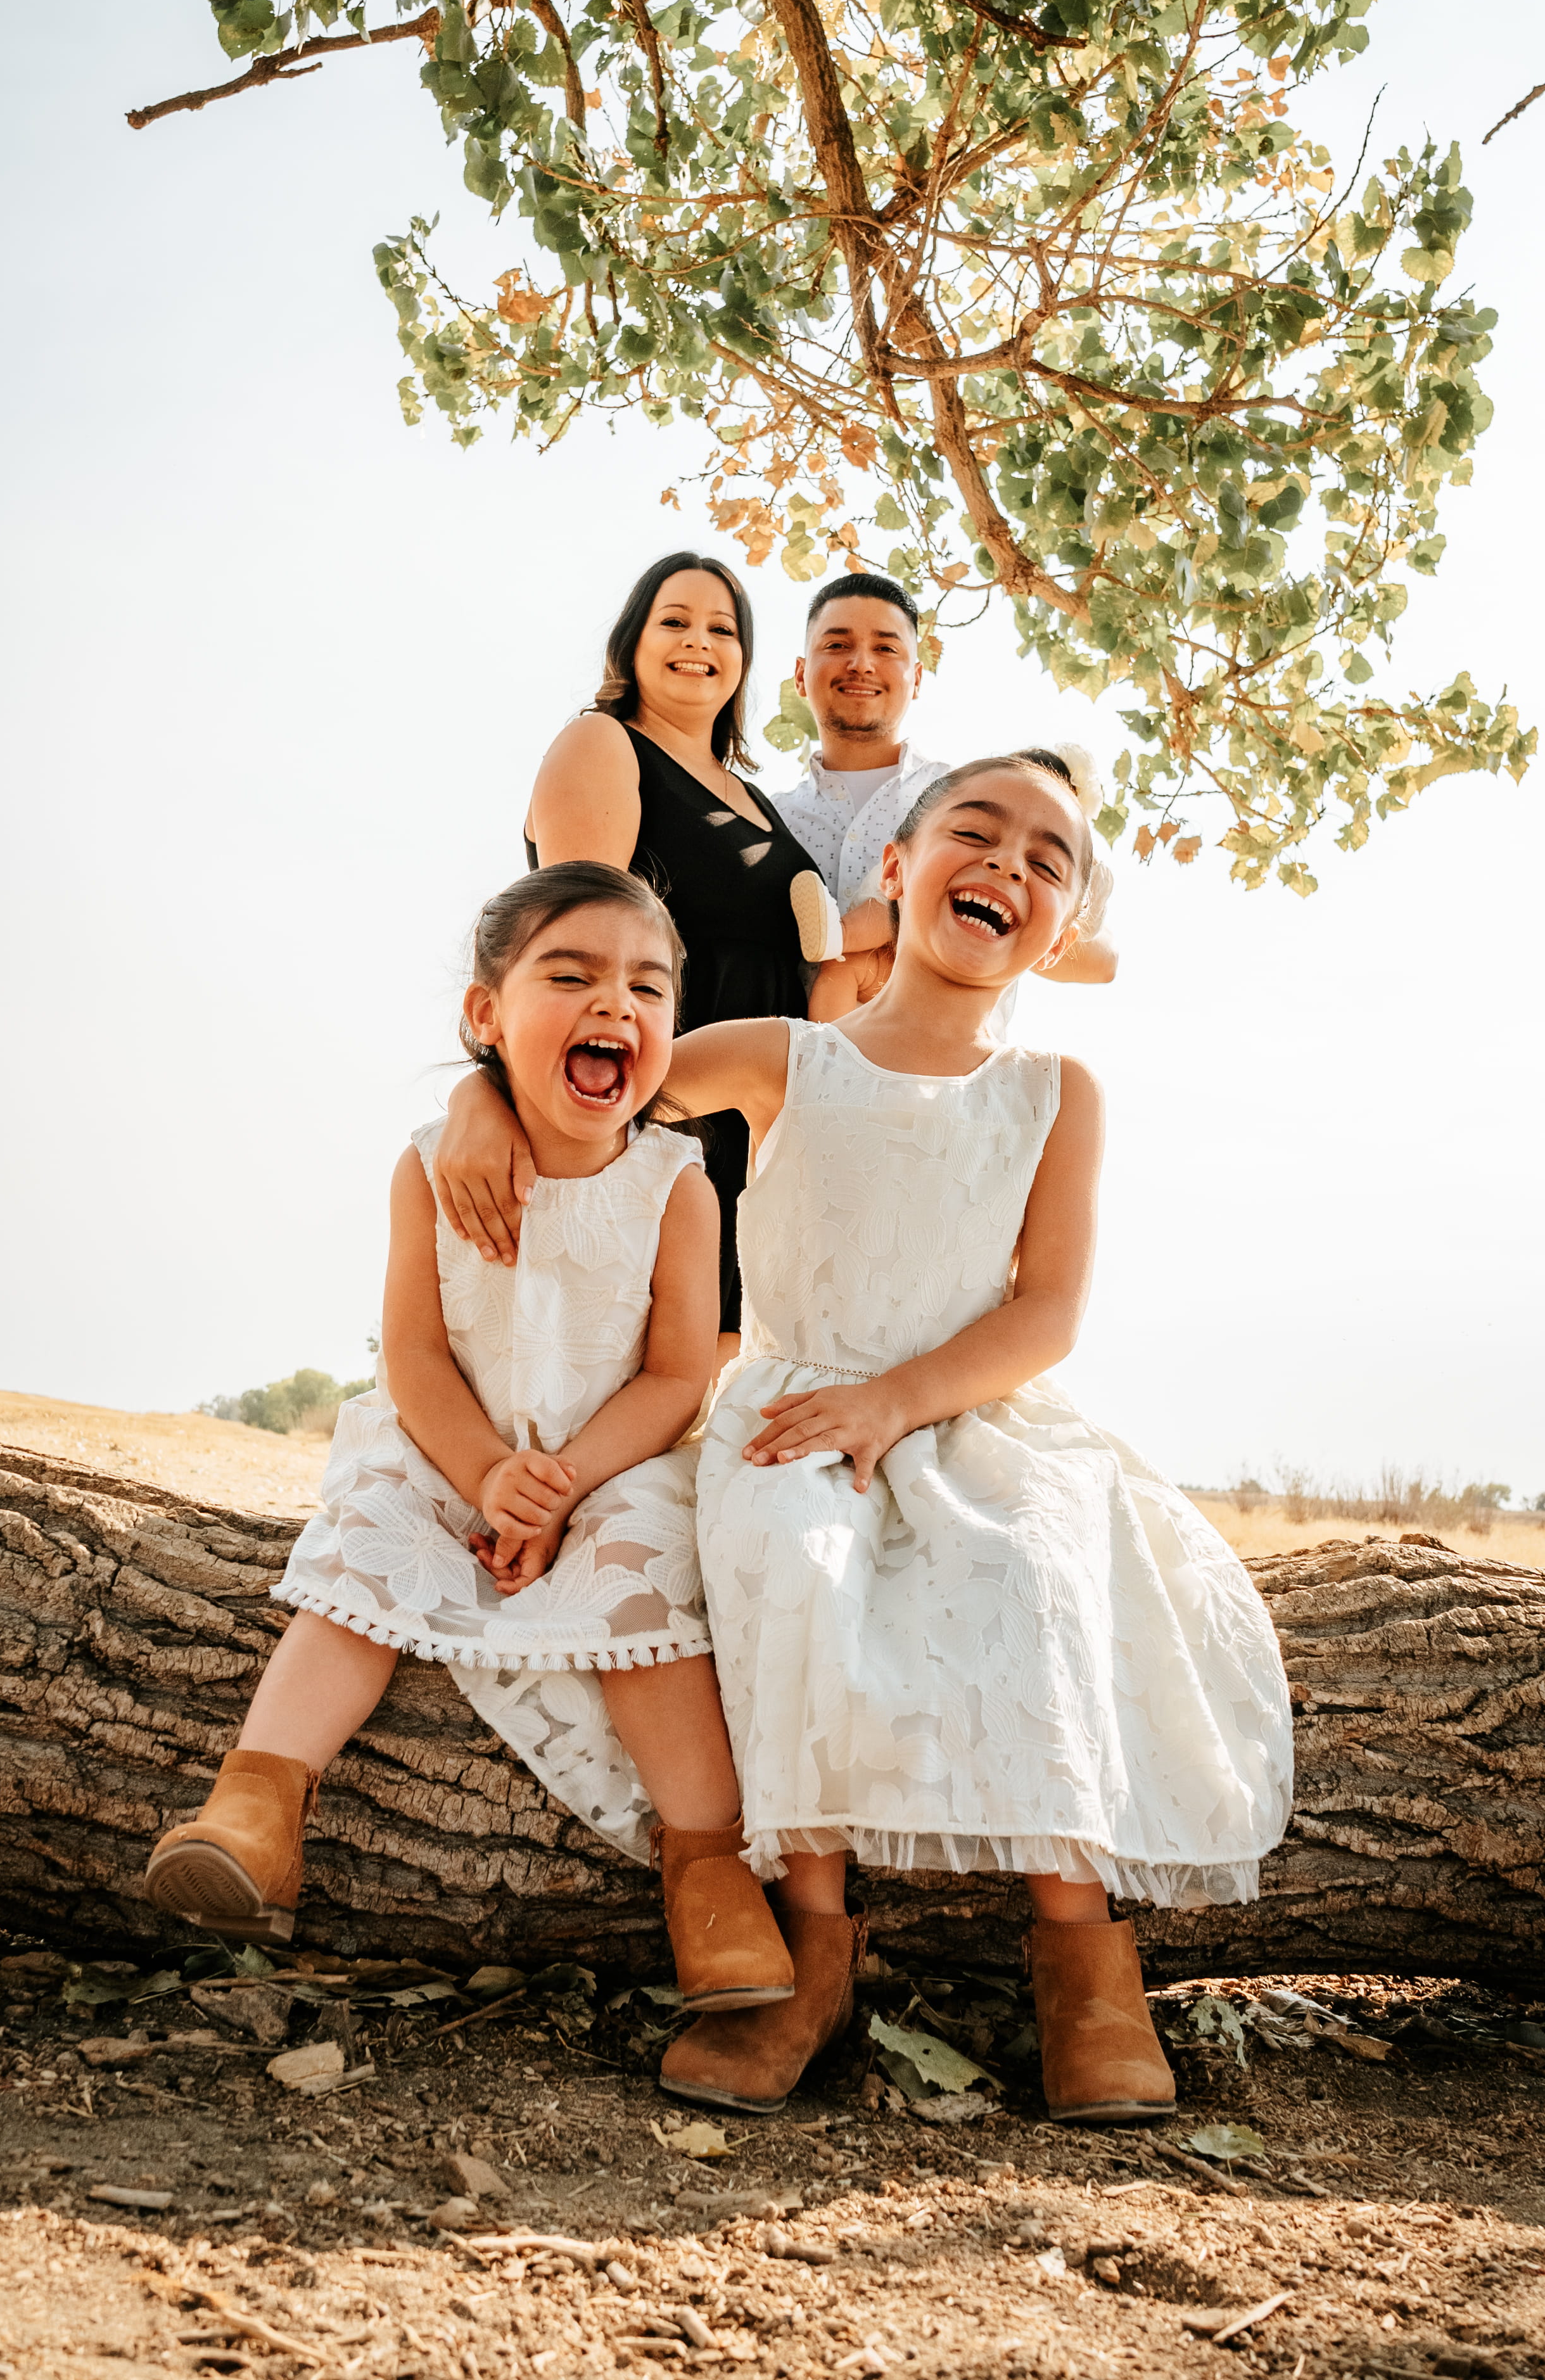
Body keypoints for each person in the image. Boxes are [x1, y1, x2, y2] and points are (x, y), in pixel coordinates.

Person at [444, 751, 1292, 2122]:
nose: (1005, 866)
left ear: (1061, 927)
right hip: (793, 1404)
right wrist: (482, 1097)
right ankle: (810, 1955)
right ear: (892, 872)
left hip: (974, 1416)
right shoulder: (790, 1055)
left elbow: (1051, 1312)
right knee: (796, 1565)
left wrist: (900, 1405)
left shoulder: (1054, 1093)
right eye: (973, 831)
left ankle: (1086, 1966)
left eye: (1045, 859)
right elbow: (603, 1075)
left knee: (1033, 1577)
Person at [143, 862, 796, 2020]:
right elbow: (413, 1355)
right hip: (444, 1446)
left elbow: (677, 1376)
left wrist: (560, 1484)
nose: (616, 1007)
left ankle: (709, 1870)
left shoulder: (674, 1185)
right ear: (484, 1017)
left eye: (649, 987)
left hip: (610, 1460)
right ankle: (257, 1801)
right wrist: (488, 1474)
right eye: (571, 975)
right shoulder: (427, 1166)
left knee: (647, 1584)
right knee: (362, 1553)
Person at [435, 552, 825, 1355]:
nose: (698, 641)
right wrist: (484, 1087)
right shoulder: (603, 744)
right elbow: (571, 946)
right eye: (673, 621)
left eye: (722, 629)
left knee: (720, 1367)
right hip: (650, 1101)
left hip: (750, 1122)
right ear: (631, 643)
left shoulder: (754, 797)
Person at [772, 573, 1119, 1021]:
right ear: (801, 675)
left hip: (945, 1080)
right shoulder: (766, 820)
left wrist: (958, 931)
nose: (861, 664)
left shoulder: (979, 805)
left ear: (916, 678)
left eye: (886, 648)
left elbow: (1103, 959)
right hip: (796, 1081)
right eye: (838, 646)